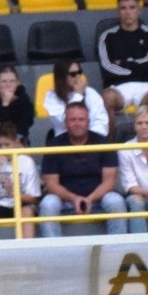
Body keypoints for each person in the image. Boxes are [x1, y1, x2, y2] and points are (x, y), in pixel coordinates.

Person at [38, 101, 127, 237]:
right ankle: (54, 253)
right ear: (65, 122)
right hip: (64, 199)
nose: (77, 123)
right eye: (72, 120)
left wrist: (90, 199)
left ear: (88, 121)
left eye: (81, 119)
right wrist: (74, 199)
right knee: (47, 204)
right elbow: (51, 184)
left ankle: (117, 251)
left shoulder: (102, 143)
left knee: (116, 202)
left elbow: (109, 181)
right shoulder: (54, 145)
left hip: (98, 198)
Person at [98, 0, 148, 121]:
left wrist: (123, 63)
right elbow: (107, 68)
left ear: (139, 9)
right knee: (107, 98)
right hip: (118, 87)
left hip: (146, 86)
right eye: (123, 8)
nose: (128, 12)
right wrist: (141, 64)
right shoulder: (107, 36)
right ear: (117, 10)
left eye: (132, 7)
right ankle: (110, 142)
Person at [0, 123, 40, 239]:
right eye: (0, 145)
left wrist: (13, 192)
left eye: (7, 144)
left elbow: (33, 198)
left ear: (15, 143)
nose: (3, 149)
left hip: (22, 204)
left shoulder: (26, 162)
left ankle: (27, 250)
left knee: (27, 211)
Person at [43, 58, 109, 138]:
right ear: (62, 76)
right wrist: (78, 95)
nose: (78, 77)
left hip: (91, 141)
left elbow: (101, 122)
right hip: (65, 142)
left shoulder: (91, 93)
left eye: (79, 72)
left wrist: (89, 138)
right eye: (73, 74)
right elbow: (66, 121)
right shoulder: (51, 97)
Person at [119, 104, 148, 234]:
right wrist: (147, 193)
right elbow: (129, 184)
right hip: (139, 195)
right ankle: (140, 247)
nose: (144, 127)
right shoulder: (125, 149)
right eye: (139, 123)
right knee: (136, 201)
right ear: (134, 126)